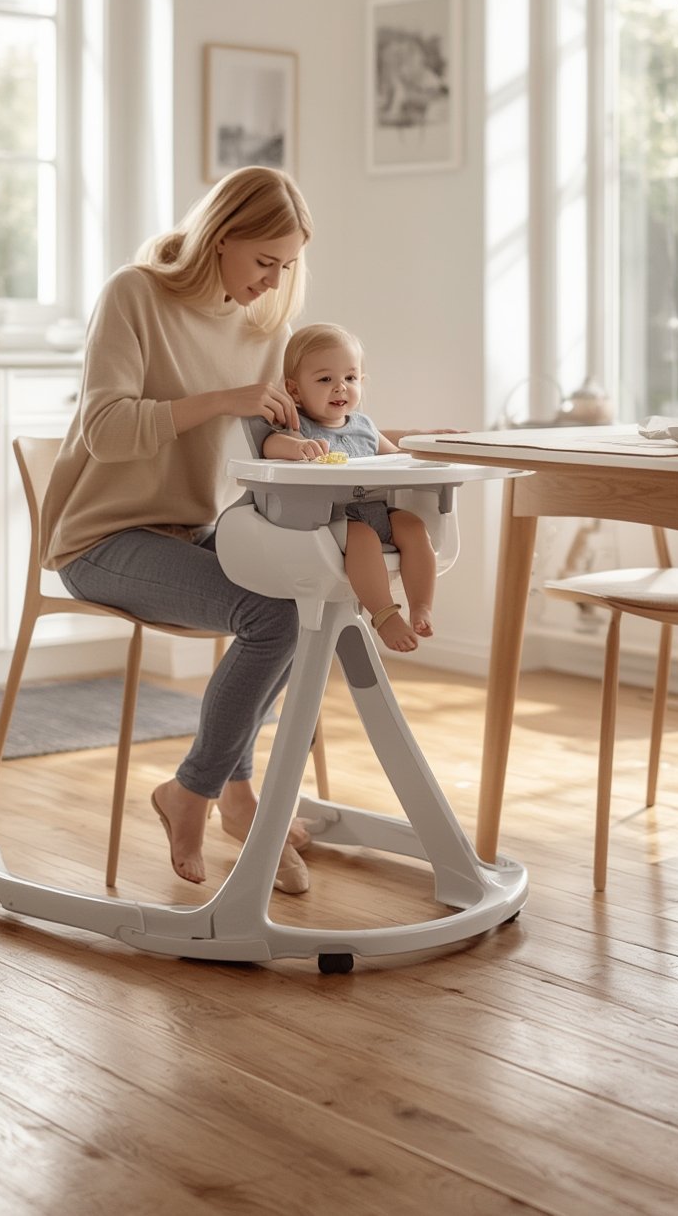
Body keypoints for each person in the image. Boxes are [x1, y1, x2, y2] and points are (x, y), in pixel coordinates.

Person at [39, 166, 315, 894]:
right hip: (102, 538)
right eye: (263, 261)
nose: (272, 281)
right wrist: (222, 397)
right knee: (273, 613)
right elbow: (105, 429)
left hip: (192, 530)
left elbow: (275, 433)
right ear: (221, 239)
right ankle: (201, 791)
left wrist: (343, 438)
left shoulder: (266, 326)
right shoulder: (135, 294)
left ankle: (224, 788)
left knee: (306, 595)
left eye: (286, 266)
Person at [262, 323, 437, 654]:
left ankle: (422, 606)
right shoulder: (297, 426)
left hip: (376, 509)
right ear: (295, 390)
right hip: (329, 521)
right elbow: (270, 445)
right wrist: (296, 448)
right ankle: (384, 614)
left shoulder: (365, 427)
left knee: (414, 528)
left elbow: (397, 457)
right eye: (326, 379)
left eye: (351, 378)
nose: (340, 387)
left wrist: (428, 454)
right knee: (364, 540)